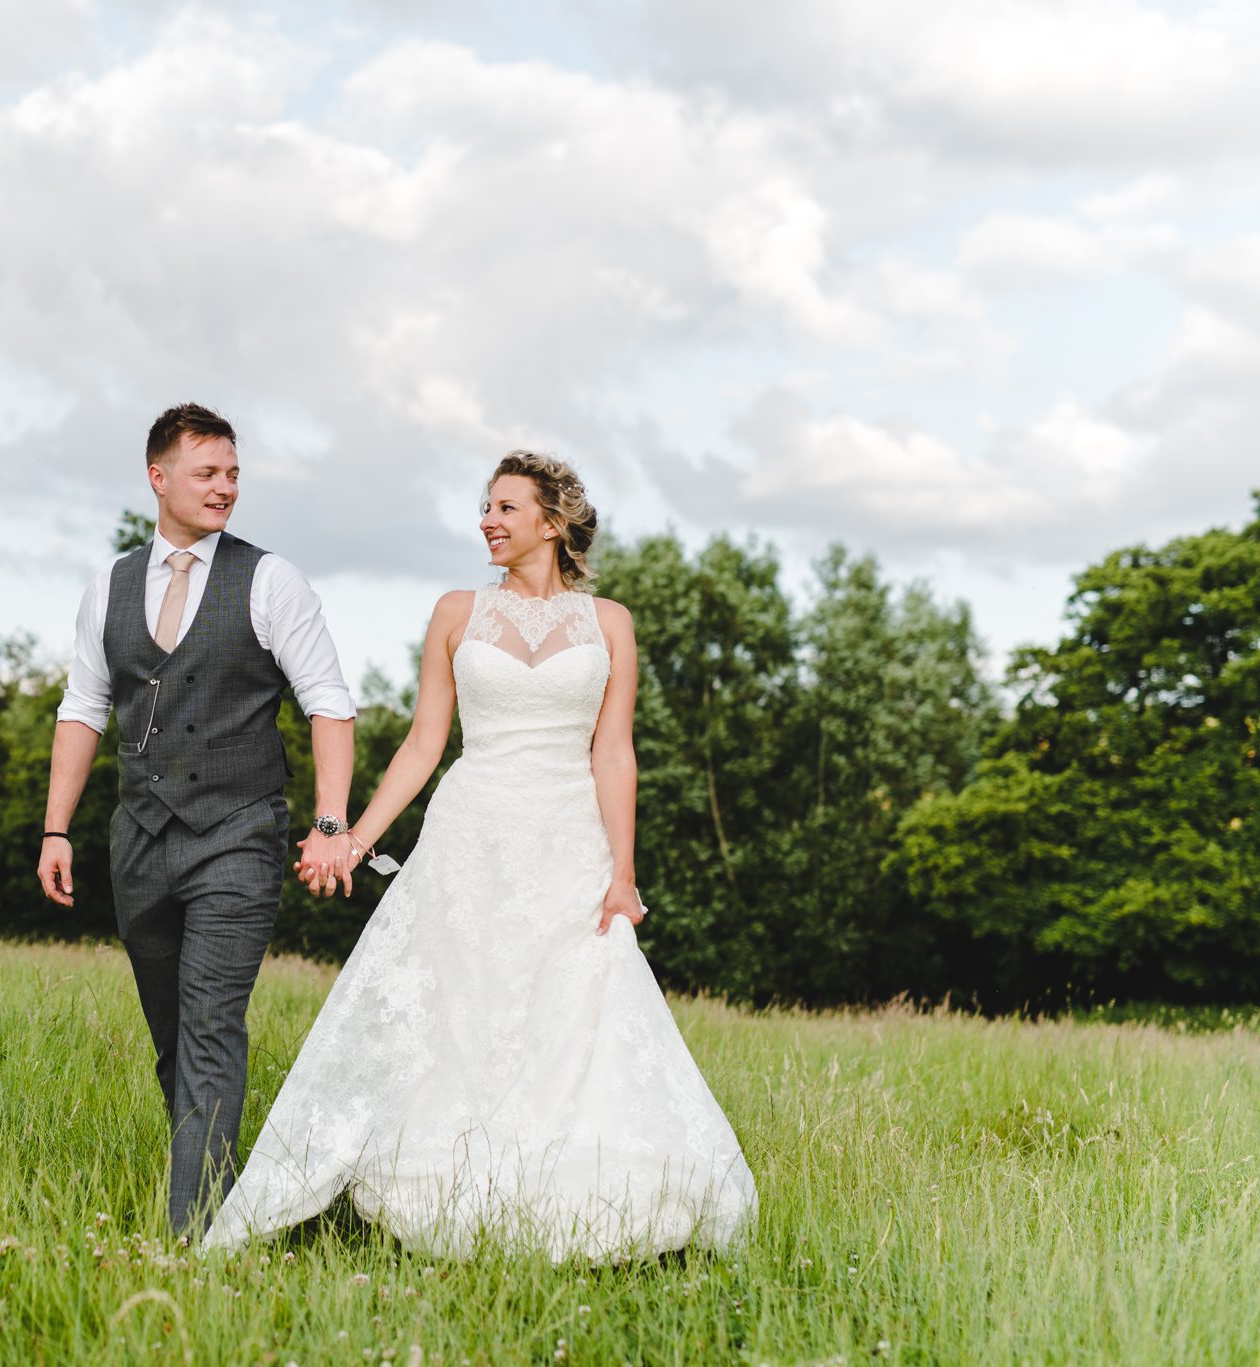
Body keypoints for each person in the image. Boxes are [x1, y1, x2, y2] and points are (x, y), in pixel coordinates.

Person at [203, 450, 756, 1260]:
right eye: (485, 506)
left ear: (553, 522)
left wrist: (623, 874)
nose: (487, 520)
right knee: (462, 1007)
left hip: (569, 840)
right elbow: (426, 742)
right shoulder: (457, 611)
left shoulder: (611, 623)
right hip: (470, 835)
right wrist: (355, 836)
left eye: (505, 506)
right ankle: (451, 1188)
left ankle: (574, 1194)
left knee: (572, 1013)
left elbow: (614, 753)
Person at [38, 403, 358, 1237]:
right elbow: (84, 705)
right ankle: (225, 1183)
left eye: (233, 474)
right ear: (159, 477)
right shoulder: (108, 583)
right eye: (208, 473)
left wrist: (330, 823)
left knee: (212, 1019)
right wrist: (55, 828)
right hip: (138, 841)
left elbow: (328, 703)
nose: (226, 488)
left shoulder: (270, 579)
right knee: (174, 1037)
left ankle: (194, 1235)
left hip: (239, 834)